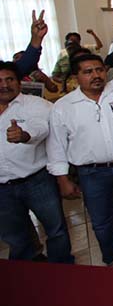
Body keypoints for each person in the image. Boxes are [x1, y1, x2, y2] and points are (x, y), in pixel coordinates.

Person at [47, 27, 113, 268]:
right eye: (88, 72)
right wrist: (63, 180)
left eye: (99, 70)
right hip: (92, 173)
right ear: (76, 77)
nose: (96, 75)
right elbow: (56, 147)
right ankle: (112, 257)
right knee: (102, 221)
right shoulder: (63, 107)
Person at [0, 61, 74, 264]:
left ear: (19, 82)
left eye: (9, 79)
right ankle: (30, 271)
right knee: (15, 236)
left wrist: (24, 135)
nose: (4, 85)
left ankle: (62, 268)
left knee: (56, 230)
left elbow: (41, 127)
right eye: (0, 81)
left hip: (37, 181)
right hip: (2, 188)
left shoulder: (35, 104)